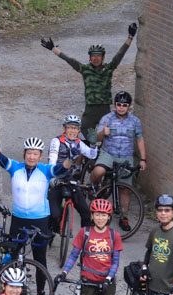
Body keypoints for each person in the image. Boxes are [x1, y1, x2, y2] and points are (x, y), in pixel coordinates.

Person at [0, 131, 70, 295]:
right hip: (18, 219)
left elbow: (61, 169)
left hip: (40, 220)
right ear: (24, 154)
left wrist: (72, 159)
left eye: (35, 153)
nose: (32, 156)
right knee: (13, 257)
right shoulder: (15, 167)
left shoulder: (45, 170)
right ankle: (9, 293)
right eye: (29, 153)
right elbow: (0, 158)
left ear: (40, 156)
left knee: (40, 259)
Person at [40, 23, 137, 136]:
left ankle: (101, 150)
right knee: (85, 130)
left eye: (99, 56)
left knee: (107, 134)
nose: (96, 59)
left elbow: (120, 54)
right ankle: (91, 150)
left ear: (103, 57)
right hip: (90, 108)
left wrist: (130, 37)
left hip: (104, 107)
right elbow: (69, 60)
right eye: (93, 56)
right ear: (90, 58)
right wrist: (53, 49)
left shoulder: (108, 68)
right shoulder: (85, 69)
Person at [89, 91, 147, 222]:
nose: (121, 107)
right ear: (115, 105)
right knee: (98, 171)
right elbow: (96, 138)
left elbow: (140, 139)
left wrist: (143, 159)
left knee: (124, 188)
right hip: (108, 153)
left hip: (126, 156)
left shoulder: (135, 121)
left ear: (129, 106)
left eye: (124, 105)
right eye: (119, 104)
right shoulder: (107, 118)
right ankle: (93, 187)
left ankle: (124, 216)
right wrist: (103, 132)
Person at [47, 114, 98, 233]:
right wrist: (52, 177)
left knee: (86, 212)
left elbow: (92, 155)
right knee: (54, 215)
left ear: (79, 130)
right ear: (64, 129)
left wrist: (94, 144)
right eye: (70, 127)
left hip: (71, 180)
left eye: (75, 128)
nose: (73, 131)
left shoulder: (79, 143)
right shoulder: (57, 141)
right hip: (57, 179)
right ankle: (50, 229)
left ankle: (85, 240)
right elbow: (52, 160)